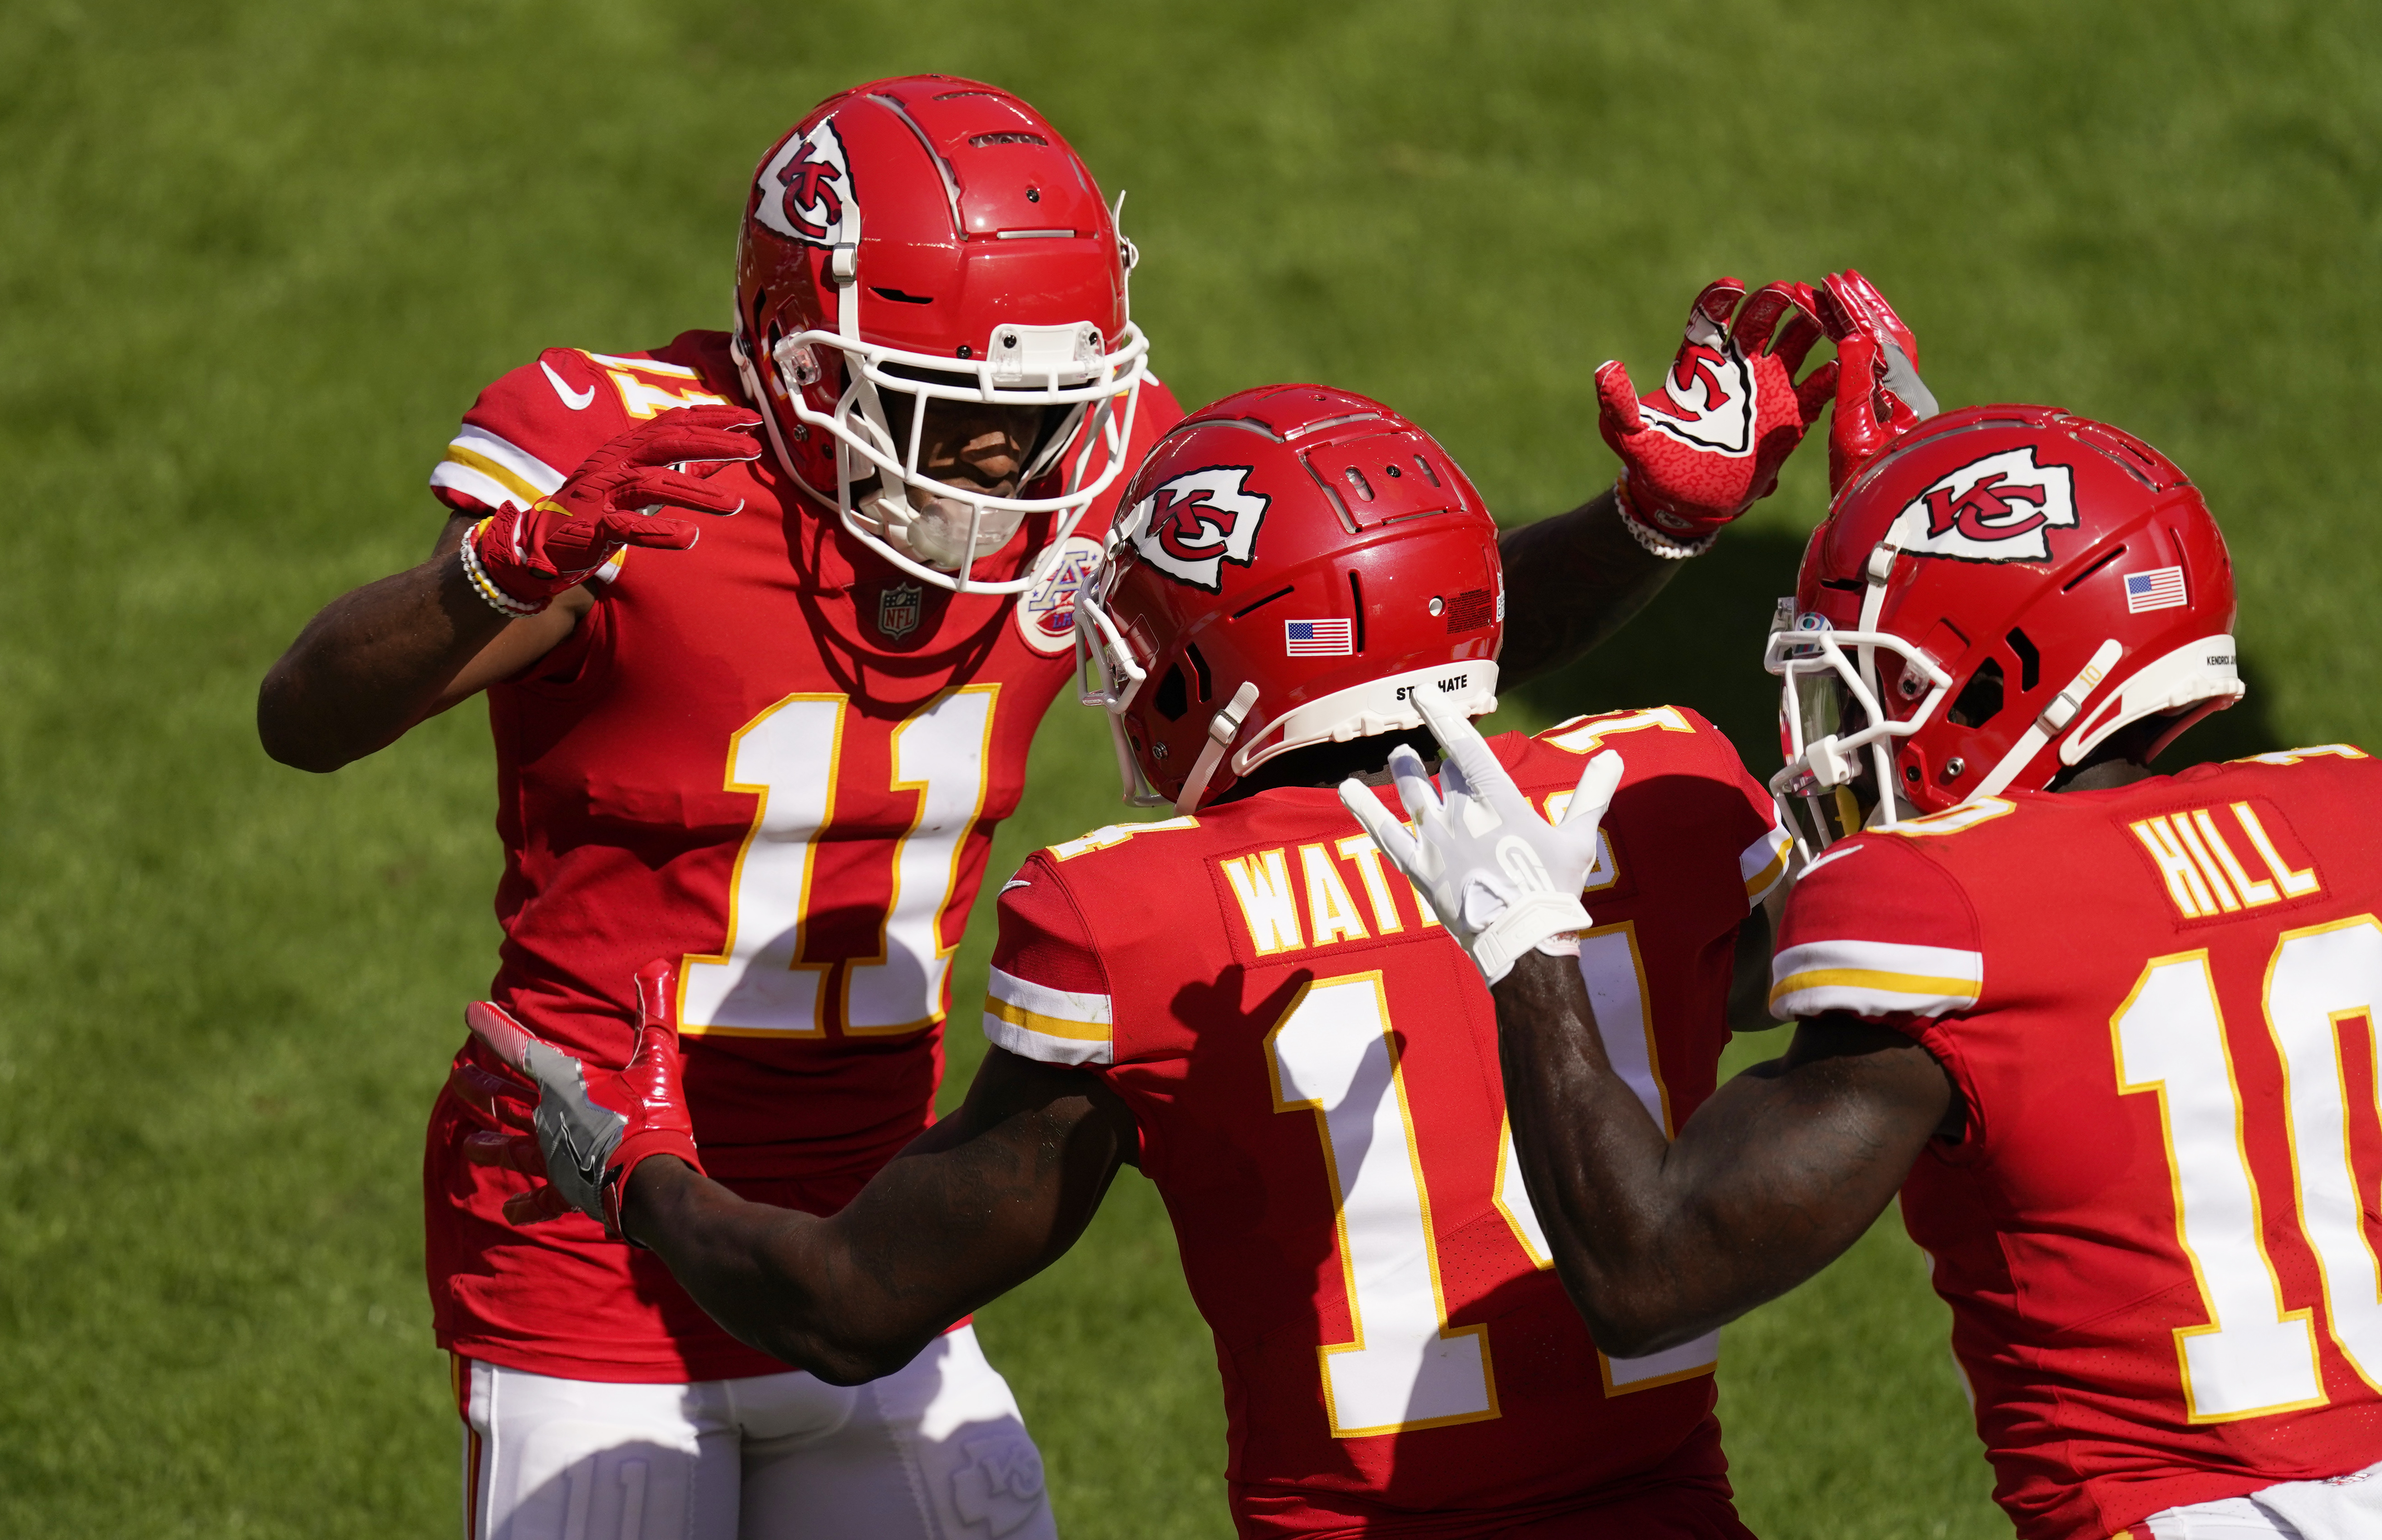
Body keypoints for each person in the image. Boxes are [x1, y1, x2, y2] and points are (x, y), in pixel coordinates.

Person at [254, 74, 1840, 1538]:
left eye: (1045, 404)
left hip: (881, 1217)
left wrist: (1647, 530)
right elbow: (304, 719)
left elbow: (1360, 649)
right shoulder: (633, 469)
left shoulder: (1090, 462)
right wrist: (496, 569)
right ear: (799, 355)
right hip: (579, 1223)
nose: (1012, 455)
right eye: (951, 407)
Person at [460, 384, 1805, 1537]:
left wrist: (636, 1176)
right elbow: (1793, 992)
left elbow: (855, 1303)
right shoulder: (1657, 787)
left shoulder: (1142, 917)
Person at [1347, 362, 2382, 1539]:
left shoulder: (1955, 900)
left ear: (2010, 673)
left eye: (1877, 669)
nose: (1851, 720)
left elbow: (1651, 1274)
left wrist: (1526, 943)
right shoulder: (2352, 815)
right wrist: (1926, 499)